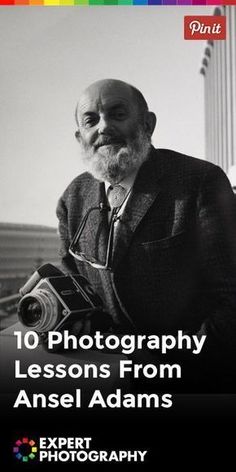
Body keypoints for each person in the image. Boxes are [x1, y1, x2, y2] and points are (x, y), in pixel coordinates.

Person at [56, 79, 236, 392]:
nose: (104, 128)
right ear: (79, 136)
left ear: (147, 123)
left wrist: (161, 371)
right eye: (91, 120)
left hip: (193, 384)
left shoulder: (200, 182)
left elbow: (231, 300)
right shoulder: (73, 197)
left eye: (117, 114)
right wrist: (56, 323)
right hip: (111, 385)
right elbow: (72, 291)